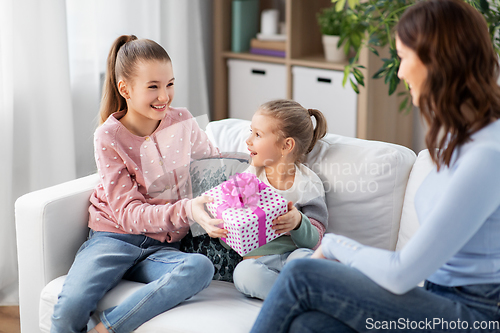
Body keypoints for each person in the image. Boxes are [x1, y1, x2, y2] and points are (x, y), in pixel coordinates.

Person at [250, 0, 500, 332]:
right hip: (441, 301)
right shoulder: (459, 138)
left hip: (473, 316)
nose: (399, 72)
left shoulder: (487, 153)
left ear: (435, 61)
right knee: (308, 324)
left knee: (301, 275)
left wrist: (337, 245)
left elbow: (400, 274)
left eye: (403, 57)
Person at [51, 35, 225, 333]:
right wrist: (188, 209)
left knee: (199, 268)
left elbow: (216, 168)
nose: (164, 96)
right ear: (125, 89)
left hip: (162, 247)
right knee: (67, 312)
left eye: (170, 84)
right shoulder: (108, 136)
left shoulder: (183, 121)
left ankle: (107, 330)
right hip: (114, 239)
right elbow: (128, 214)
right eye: (153, 87)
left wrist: (258, 170)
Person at [229, 99, 329, 300]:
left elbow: (316, 239)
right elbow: (233, 232)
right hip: (259, 261)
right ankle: (297, 299)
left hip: (295, 254)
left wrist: (298, 222)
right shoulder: (249, 178)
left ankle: (301, 295)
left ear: (286, 145)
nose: (248, 140)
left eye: (257, 135)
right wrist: (224, 225)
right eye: (251, 132)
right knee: (243, 273)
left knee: (305, 263)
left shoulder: (308, 184)